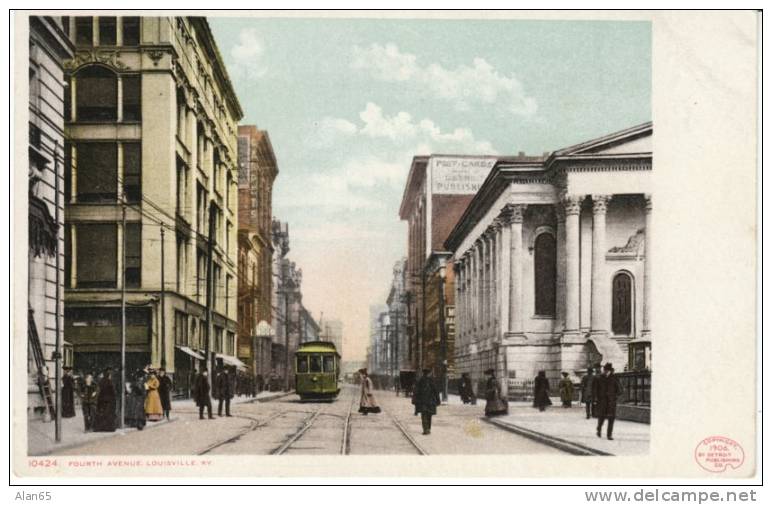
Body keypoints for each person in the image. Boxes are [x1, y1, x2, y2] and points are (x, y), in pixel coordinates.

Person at [594, 362, 623, 440]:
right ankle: (599, 429)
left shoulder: (614, 378)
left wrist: (614, 396)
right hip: (602, 401)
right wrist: (596, 398)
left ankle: (609, 435)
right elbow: (595, 389)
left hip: (611, 402)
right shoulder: (599, 378)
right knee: (601, 417)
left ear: (610, 370)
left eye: (607, 370)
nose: (605, 371)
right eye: (604, 370)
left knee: (611, 418)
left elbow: (620, 389)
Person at [412, 368, 440, 435]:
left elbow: (416, 392)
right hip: (430, 401)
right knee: (429, 415)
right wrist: (438, 400)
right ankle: (428, 429)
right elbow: (436, 391)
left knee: (424, 415)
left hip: (423, 401)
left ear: (423, 373)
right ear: (429, 373)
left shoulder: (420, 381)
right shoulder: (431, 380)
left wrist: (415, 401)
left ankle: (426, 429)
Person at [93, 368, 116, 432]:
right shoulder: (110, 382)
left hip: (101, 400)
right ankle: (108, 427)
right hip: (109, 400)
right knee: (108, 414)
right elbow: (112, 392)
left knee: (101, 413)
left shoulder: (101, 381)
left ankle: (100, 427)